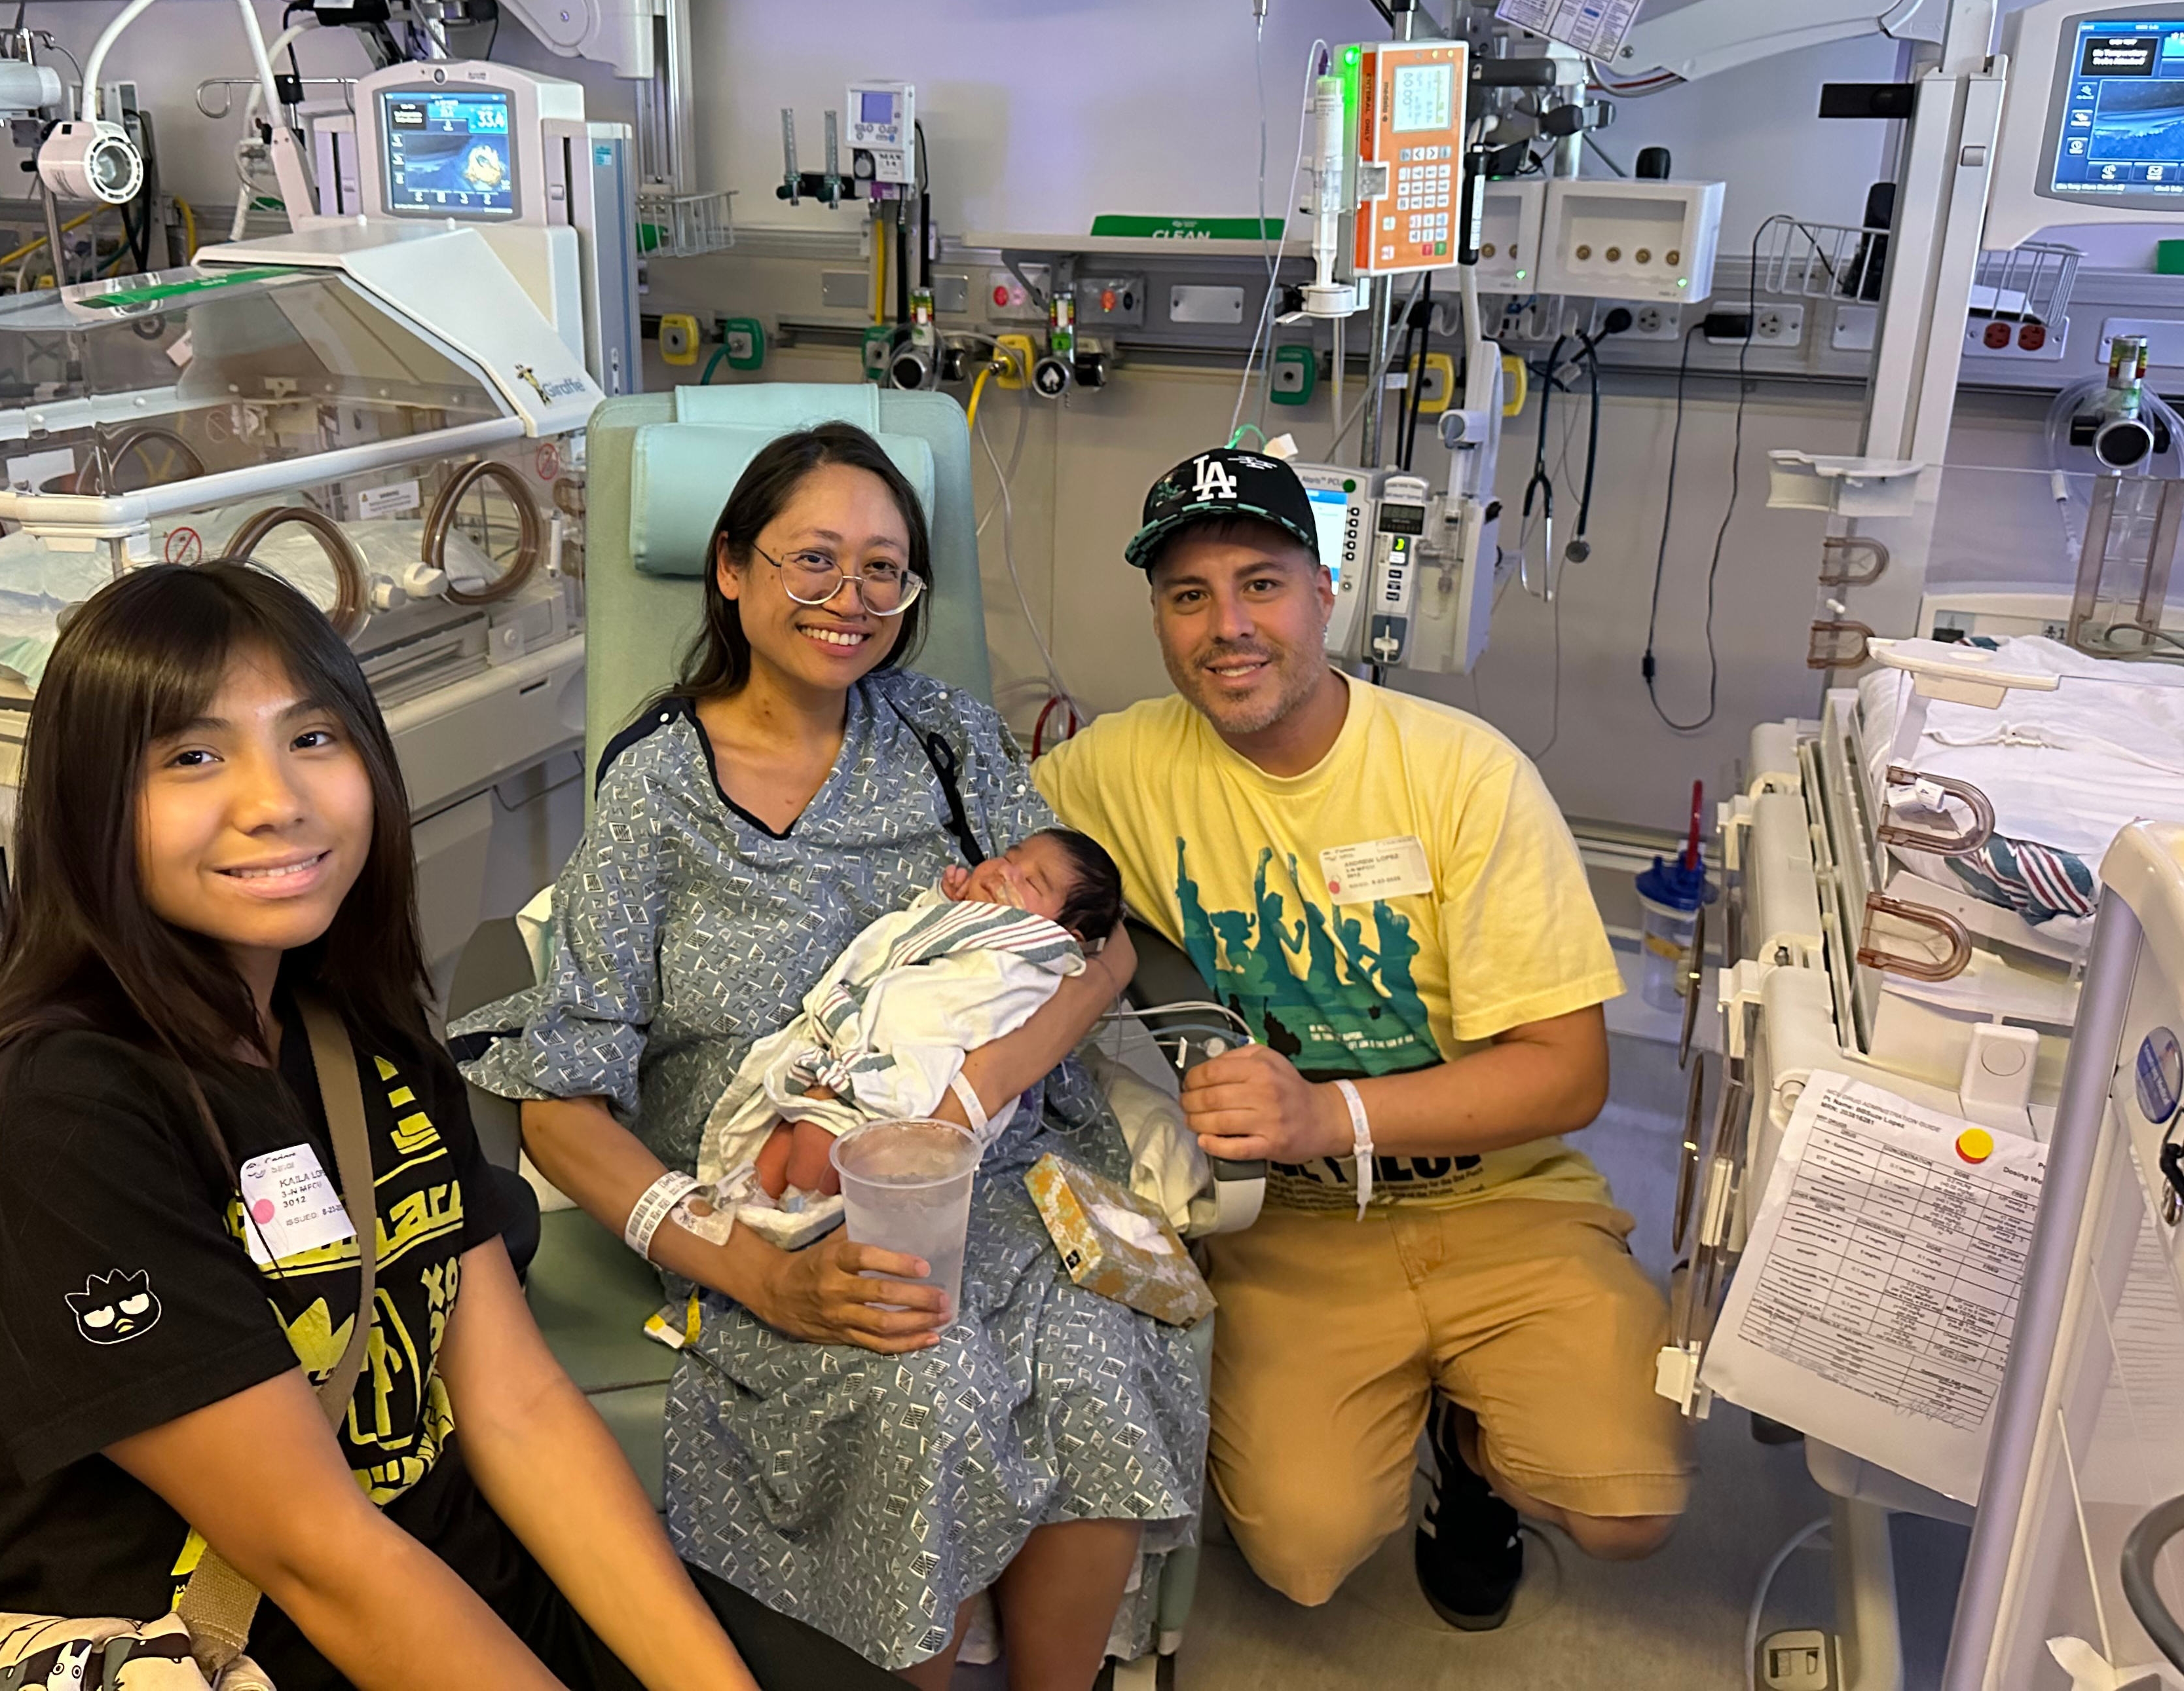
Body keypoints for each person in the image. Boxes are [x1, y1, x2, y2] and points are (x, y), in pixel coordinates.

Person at [0, 561, 900, 1691]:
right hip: (237, 1653)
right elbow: (322, 1560)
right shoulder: (56, 1120)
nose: (277, 799)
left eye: (313, 739)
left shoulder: (352, 1036)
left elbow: (514, 1405)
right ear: (90, 802)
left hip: (463, 1587)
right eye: (192, 755)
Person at [452, 423, 1205, 1691]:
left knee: (1094, 1352)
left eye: (883, 570)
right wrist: (749, 1271)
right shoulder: (657, 789)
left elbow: (1105, 946)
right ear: (734, 570)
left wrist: (977, 1092)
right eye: (812, 558)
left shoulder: (949, 741)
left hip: (996, 1176)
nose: (848, 599)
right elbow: (559, 1102)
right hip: (776, 1202)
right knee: (924, 1387)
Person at [1034, 447, 1694, 1630]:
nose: (1227, 626)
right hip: (1291, 1224)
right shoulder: (1118, 770)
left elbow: (1569, 1072)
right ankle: (1429, 1407)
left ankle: (1476, 1457)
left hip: (1502, 1197)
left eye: (1261, 584)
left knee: (1626, 1513)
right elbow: (973, 837)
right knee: (1302, 1552)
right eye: (1188, 596)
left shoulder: (1461, 776)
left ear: (1326, 590)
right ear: (1157, 618)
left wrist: (1326, 1114)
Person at [715, 827, 1129, 1216]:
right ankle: (746, 1214)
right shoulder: (978, 923)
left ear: (1063, 936)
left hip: (912, 1074)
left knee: (815, 1144)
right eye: (1008, 857)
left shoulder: (1032, 959)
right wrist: (943, 906)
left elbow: (965, 1005)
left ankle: (801, 1215)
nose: (1005, 871)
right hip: (854, 1047)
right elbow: (916, 942)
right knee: (778, 1141)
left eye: (1032, 883)